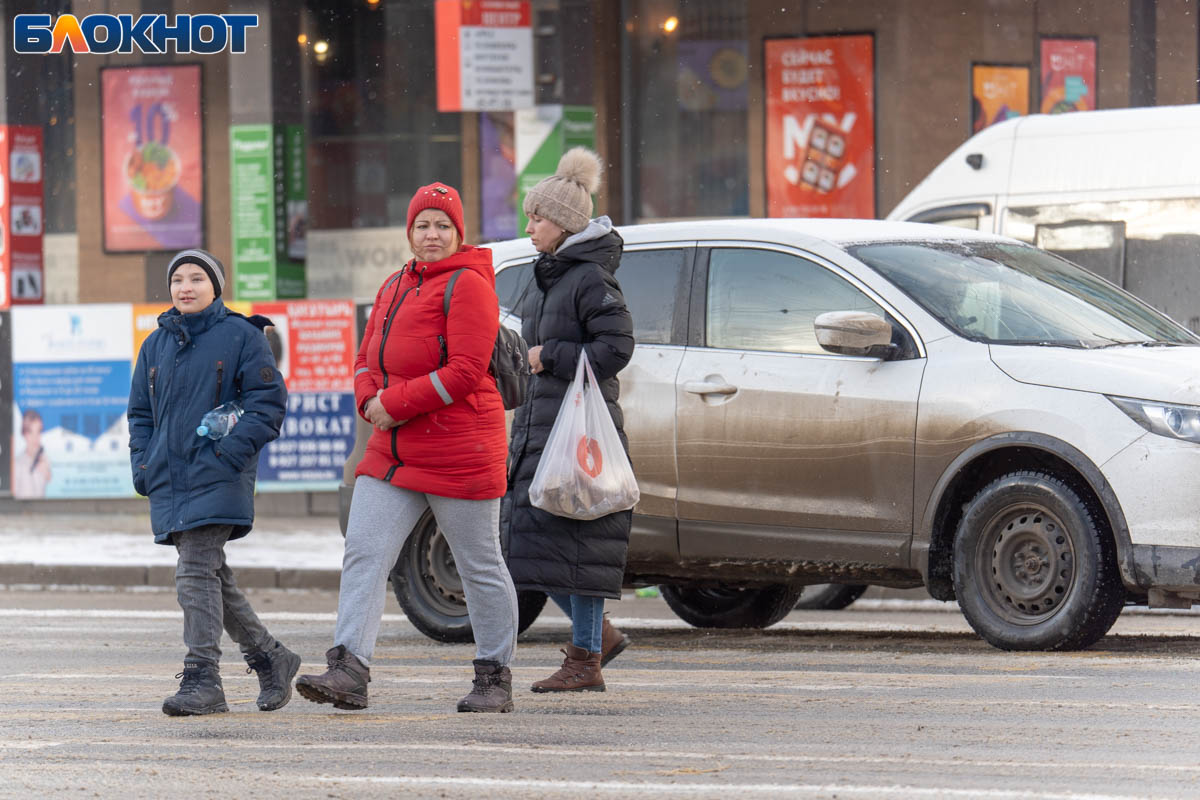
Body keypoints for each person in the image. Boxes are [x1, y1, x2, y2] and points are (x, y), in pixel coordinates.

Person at [295, 182, 520, 713]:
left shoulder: (469, 285)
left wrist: (394, 403)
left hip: (460, 449)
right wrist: (369, 397)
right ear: (410, 231)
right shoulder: (394, 283)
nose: (432, 234)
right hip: (395, 451)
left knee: (479, 565)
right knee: (365, 553)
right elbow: (365, 357)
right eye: (423, 225)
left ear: (458, 233)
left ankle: (494, 675)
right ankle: (348, 669)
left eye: (443, 225)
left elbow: (465, 371)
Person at [127, 249, 299, 716]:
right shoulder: (155, 345)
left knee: (194, 573)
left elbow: (267, 404)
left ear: (216, 286)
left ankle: (203, 678)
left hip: (218, 474)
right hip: (169, 477)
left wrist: (228, 454)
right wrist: (143, 464)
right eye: (178, 278)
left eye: (197, 278)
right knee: (209, 576)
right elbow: (140, 414)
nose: (186, 286)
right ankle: (270, 656)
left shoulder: (241, 336)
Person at [502, 148, 635, 693]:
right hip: (544, 423)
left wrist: (548, 355)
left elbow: (617, 346)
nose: (529, 225)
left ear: (563, 223)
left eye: (538, 216)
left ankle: (586, 657)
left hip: (577, 431)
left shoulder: (587, 278)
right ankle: (593, 639)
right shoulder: (549, 275)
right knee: (533, 542)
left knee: (578, 542)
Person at [12, 408, 51, 498]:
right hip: (21, 510)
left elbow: (49, 479)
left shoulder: (44, 458)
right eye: (31, 432)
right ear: (25, 434)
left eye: (38, 432)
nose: (35, 437)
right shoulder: (17, 463)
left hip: (40, 509)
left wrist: (46, 471)